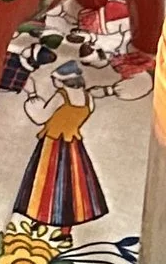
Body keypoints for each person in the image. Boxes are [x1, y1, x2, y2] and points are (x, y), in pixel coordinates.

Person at [12, 44, 108, 230]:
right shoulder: (89, 99)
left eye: (56, 80)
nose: (54, 83)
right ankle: (65, 230)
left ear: (63, 82)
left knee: (45, 180)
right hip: (73, 145)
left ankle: (40, 219)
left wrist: (31, 94)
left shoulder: (62, 96)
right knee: (73, 187)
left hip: (52, 143)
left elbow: (40, 116)